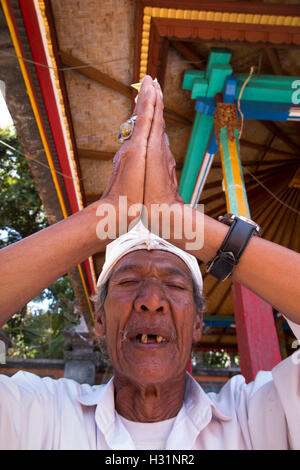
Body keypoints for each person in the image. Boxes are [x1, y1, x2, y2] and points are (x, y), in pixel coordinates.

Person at [0, 76, 299, 450]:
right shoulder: (38, 416)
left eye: (175, 286)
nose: (151, 299)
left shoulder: (259, 419)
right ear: (99, 320)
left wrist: (180, 220)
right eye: (126, 282)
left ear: (197, 323)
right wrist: (104, 217)